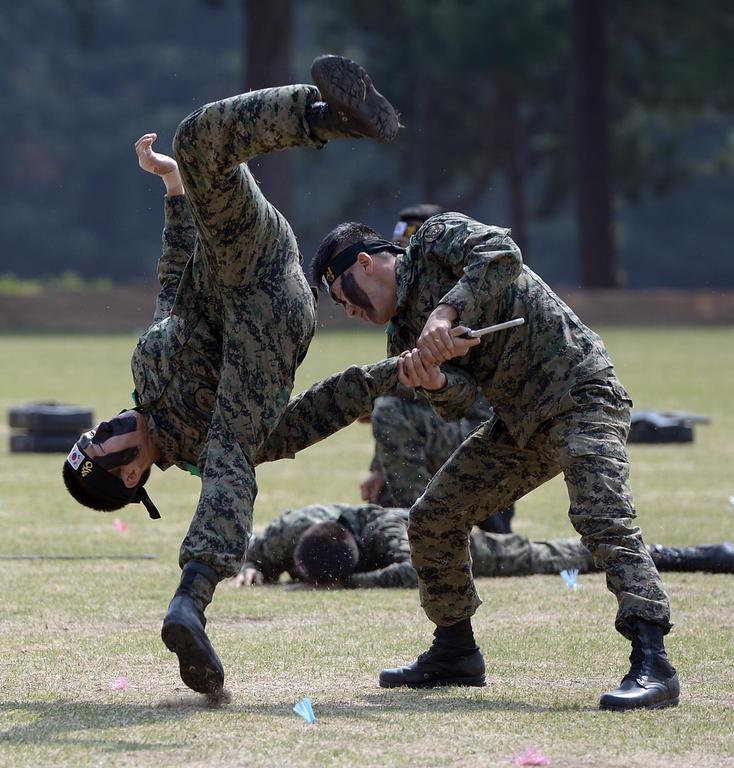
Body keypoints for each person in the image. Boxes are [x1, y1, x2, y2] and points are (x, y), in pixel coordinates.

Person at [60, 55, 404, 696]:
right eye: (100, 444)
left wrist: (171, 188)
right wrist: (393, 372)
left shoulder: (144, 369)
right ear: (131, 474)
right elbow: (316, 413)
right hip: (272, 319)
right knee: (229, 450)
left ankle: (331, 116)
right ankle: (190, 600)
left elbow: (171, 286)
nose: (103, 426)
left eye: (93, 431)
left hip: (241, 266)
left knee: (196, 144)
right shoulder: (204, 448)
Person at [311, 212, 681, 710]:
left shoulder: (436, 239)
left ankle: (652, 660)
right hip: (519, 424)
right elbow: (460, 402)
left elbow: (502, 255)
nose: (348, 311)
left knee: (602, 518)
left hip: (581, 394)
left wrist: (444, 314)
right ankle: (455, 651)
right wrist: (436, 381)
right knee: (432, 518)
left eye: (344, 296)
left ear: (365, 263)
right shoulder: (402, 337)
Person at [361, 204, 514, 533]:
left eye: (410, 245)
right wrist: (378, 467)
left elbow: (459, 391)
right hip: (446, 425)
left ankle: (419, 532)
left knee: (388, 411)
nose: (402, 256)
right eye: (397, 246)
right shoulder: (406, 312)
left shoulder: (464, 295)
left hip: (482, 429)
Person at [235, 503, 734, 588]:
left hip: (452, 539)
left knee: (547, 555)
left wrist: (357, 584)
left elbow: (414, 572)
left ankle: (668, 555)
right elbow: (253, 546)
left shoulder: (392, 533)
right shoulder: (296, 528)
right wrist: (255, 565)